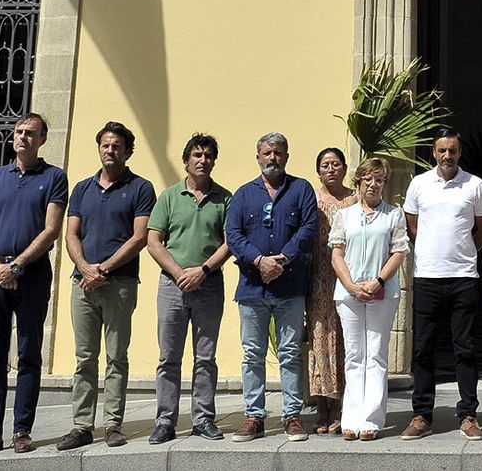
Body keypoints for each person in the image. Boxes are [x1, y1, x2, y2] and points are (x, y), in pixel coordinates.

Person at [0, 113, 68, 458]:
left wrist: (17, 265)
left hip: (32, 274)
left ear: (42, 140)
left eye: (31, 133)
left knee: (28, 354)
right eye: (19, 132)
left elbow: (51, 229)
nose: (23, 137)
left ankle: (22, 430)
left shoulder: (54, 177)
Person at [57, 121, 155, 450]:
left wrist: (105, 268)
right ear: (98, 148)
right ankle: (82, 425)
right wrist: (85, 268)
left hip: (120, 284)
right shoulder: (82, 188)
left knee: (116, 357)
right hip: (82, 284)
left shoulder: (141, 188)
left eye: (116, 146)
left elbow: (140, 236)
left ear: (127, 152)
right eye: (105, 145)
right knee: (85, 357)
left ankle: (113, 424)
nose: (109, 150)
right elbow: (71, 233)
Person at [225, 132, 319, 442]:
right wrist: (260, 262)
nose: (272, 158)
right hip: (253, 288)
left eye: (278, 153)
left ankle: (292, 415)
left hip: (290, 287)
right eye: (267, 153)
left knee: (291, 353)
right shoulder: (243, 194)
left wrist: (282, 259)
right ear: (258, 157)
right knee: (252, 354)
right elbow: (234, 236)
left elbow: (308, 228)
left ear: (287, 157)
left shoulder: (301, 189)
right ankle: (254, 416)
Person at [401, 126, 482, 441]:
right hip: (427, 277)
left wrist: (465, 252)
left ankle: (468, 414)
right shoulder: (419, 184)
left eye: (452, 150)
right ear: (434, 152)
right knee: (423, 349)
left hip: (464, 278)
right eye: (442, 150)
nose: (447, 156)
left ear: (459, 152)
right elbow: (412, 225)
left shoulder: (475, 186)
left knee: (464, 349)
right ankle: (422, 415)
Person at [145, 132, 232, 444]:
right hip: (172, 286)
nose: (203, 160)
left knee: (205, 357)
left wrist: (203, 270)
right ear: (186, 161)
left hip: (209, 286)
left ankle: (203, 419)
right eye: (197, 155)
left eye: (208, 156)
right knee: (169, 356)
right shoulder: (169, 197)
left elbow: (230, 242)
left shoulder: (225, 198)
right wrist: (180, 272)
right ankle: (165, 421)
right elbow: (153, 241)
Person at [330, 157, 410, 440]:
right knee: (354, 355)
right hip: (349, 294)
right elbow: (336, 254)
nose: (373, 185)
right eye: (368, 179)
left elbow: (399, 253)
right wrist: (351, 285)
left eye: (379, 180)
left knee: (375, 354)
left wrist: (377, 282)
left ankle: (371, 421)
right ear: (359, 183)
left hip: (382, 293)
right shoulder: (344, 215)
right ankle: (350, 419)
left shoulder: (394, 215)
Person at [307, 147, 356, 434]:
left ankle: (340, 405)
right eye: (325, 164)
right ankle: (321, 405)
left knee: (342, 341)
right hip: (317, 278)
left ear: (344, 167)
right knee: (319, 339)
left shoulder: (356, 199)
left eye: (336, 164)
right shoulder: (310, 198)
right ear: (318, 170)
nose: (330, 169)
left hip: (348, 276)